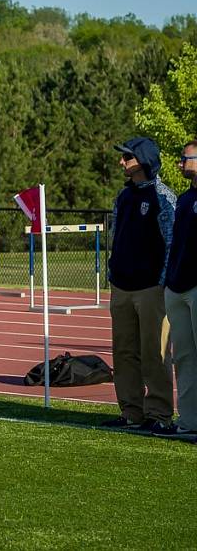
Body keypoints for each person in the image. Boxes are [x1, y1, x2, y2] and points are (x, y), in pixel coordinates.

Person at [103, 137, 176, 432]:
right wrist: (112, 271)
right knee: (123, 352)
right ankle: (131, 412)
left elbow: (171, 243)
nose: (122, 162)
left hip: (150, 289)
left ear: (143, 160)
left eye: (127, 157)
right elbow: (116, 237)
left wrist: (161, 283)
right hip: (122, 287)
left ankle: (159, 414)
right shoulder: (123, 197)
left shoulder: (163, 197)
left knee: (155, 354)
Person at [162, 139, 197, 440]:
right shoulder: (185, 200)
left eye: (185, 157)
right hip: (177, 287)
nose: (180, 162)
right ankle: (188, 422)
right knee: (184, 357)